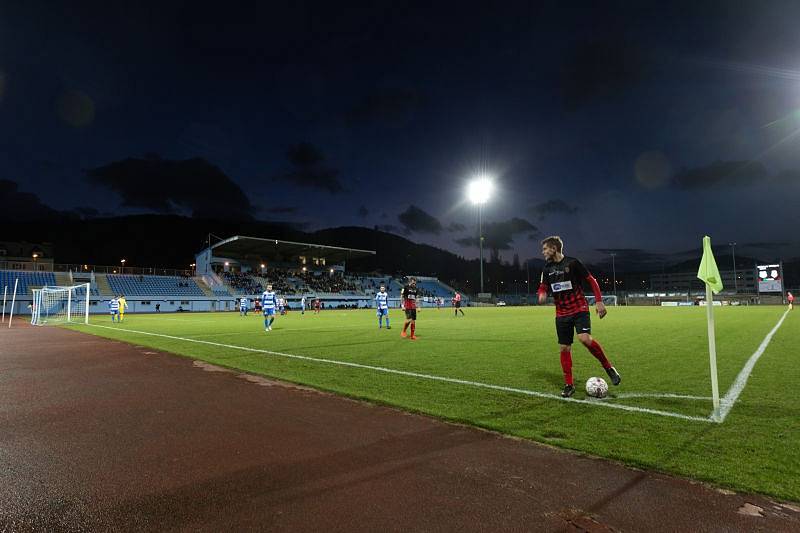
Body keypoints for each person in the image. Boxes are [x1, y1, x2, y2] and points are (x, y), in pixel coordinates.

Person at [537, 236, 621, 398]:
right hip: (561, 313)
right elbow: (543, 286)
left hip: (579, 308)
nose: (543, 252)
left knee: (584, 339)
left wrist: (599, 302)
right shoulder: (546, 269)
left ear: (554, 248)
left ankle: (609, 368)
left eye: (545, 248)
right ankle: (569, 385)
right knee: (564, 348)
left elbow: (592, 280)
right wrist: (542, 294)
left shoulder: (573, 263)